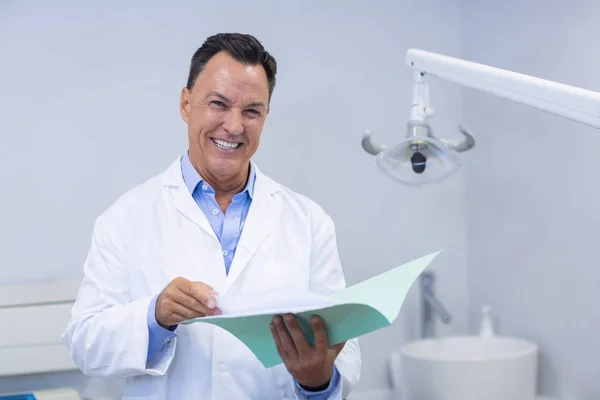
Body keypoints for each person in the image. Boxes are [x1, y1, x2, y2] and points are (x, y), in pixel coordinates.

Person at [62, 32, 361, 399]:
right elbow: (85, 342)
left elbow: (345, 352)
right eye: (218, 103)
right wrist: (155, 317)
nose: (234, 126)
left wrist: (316, 379)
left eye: (252, 110)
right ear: (186, 104)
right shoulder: (124, 219)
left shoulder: (310, 222)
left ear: (265, 117)